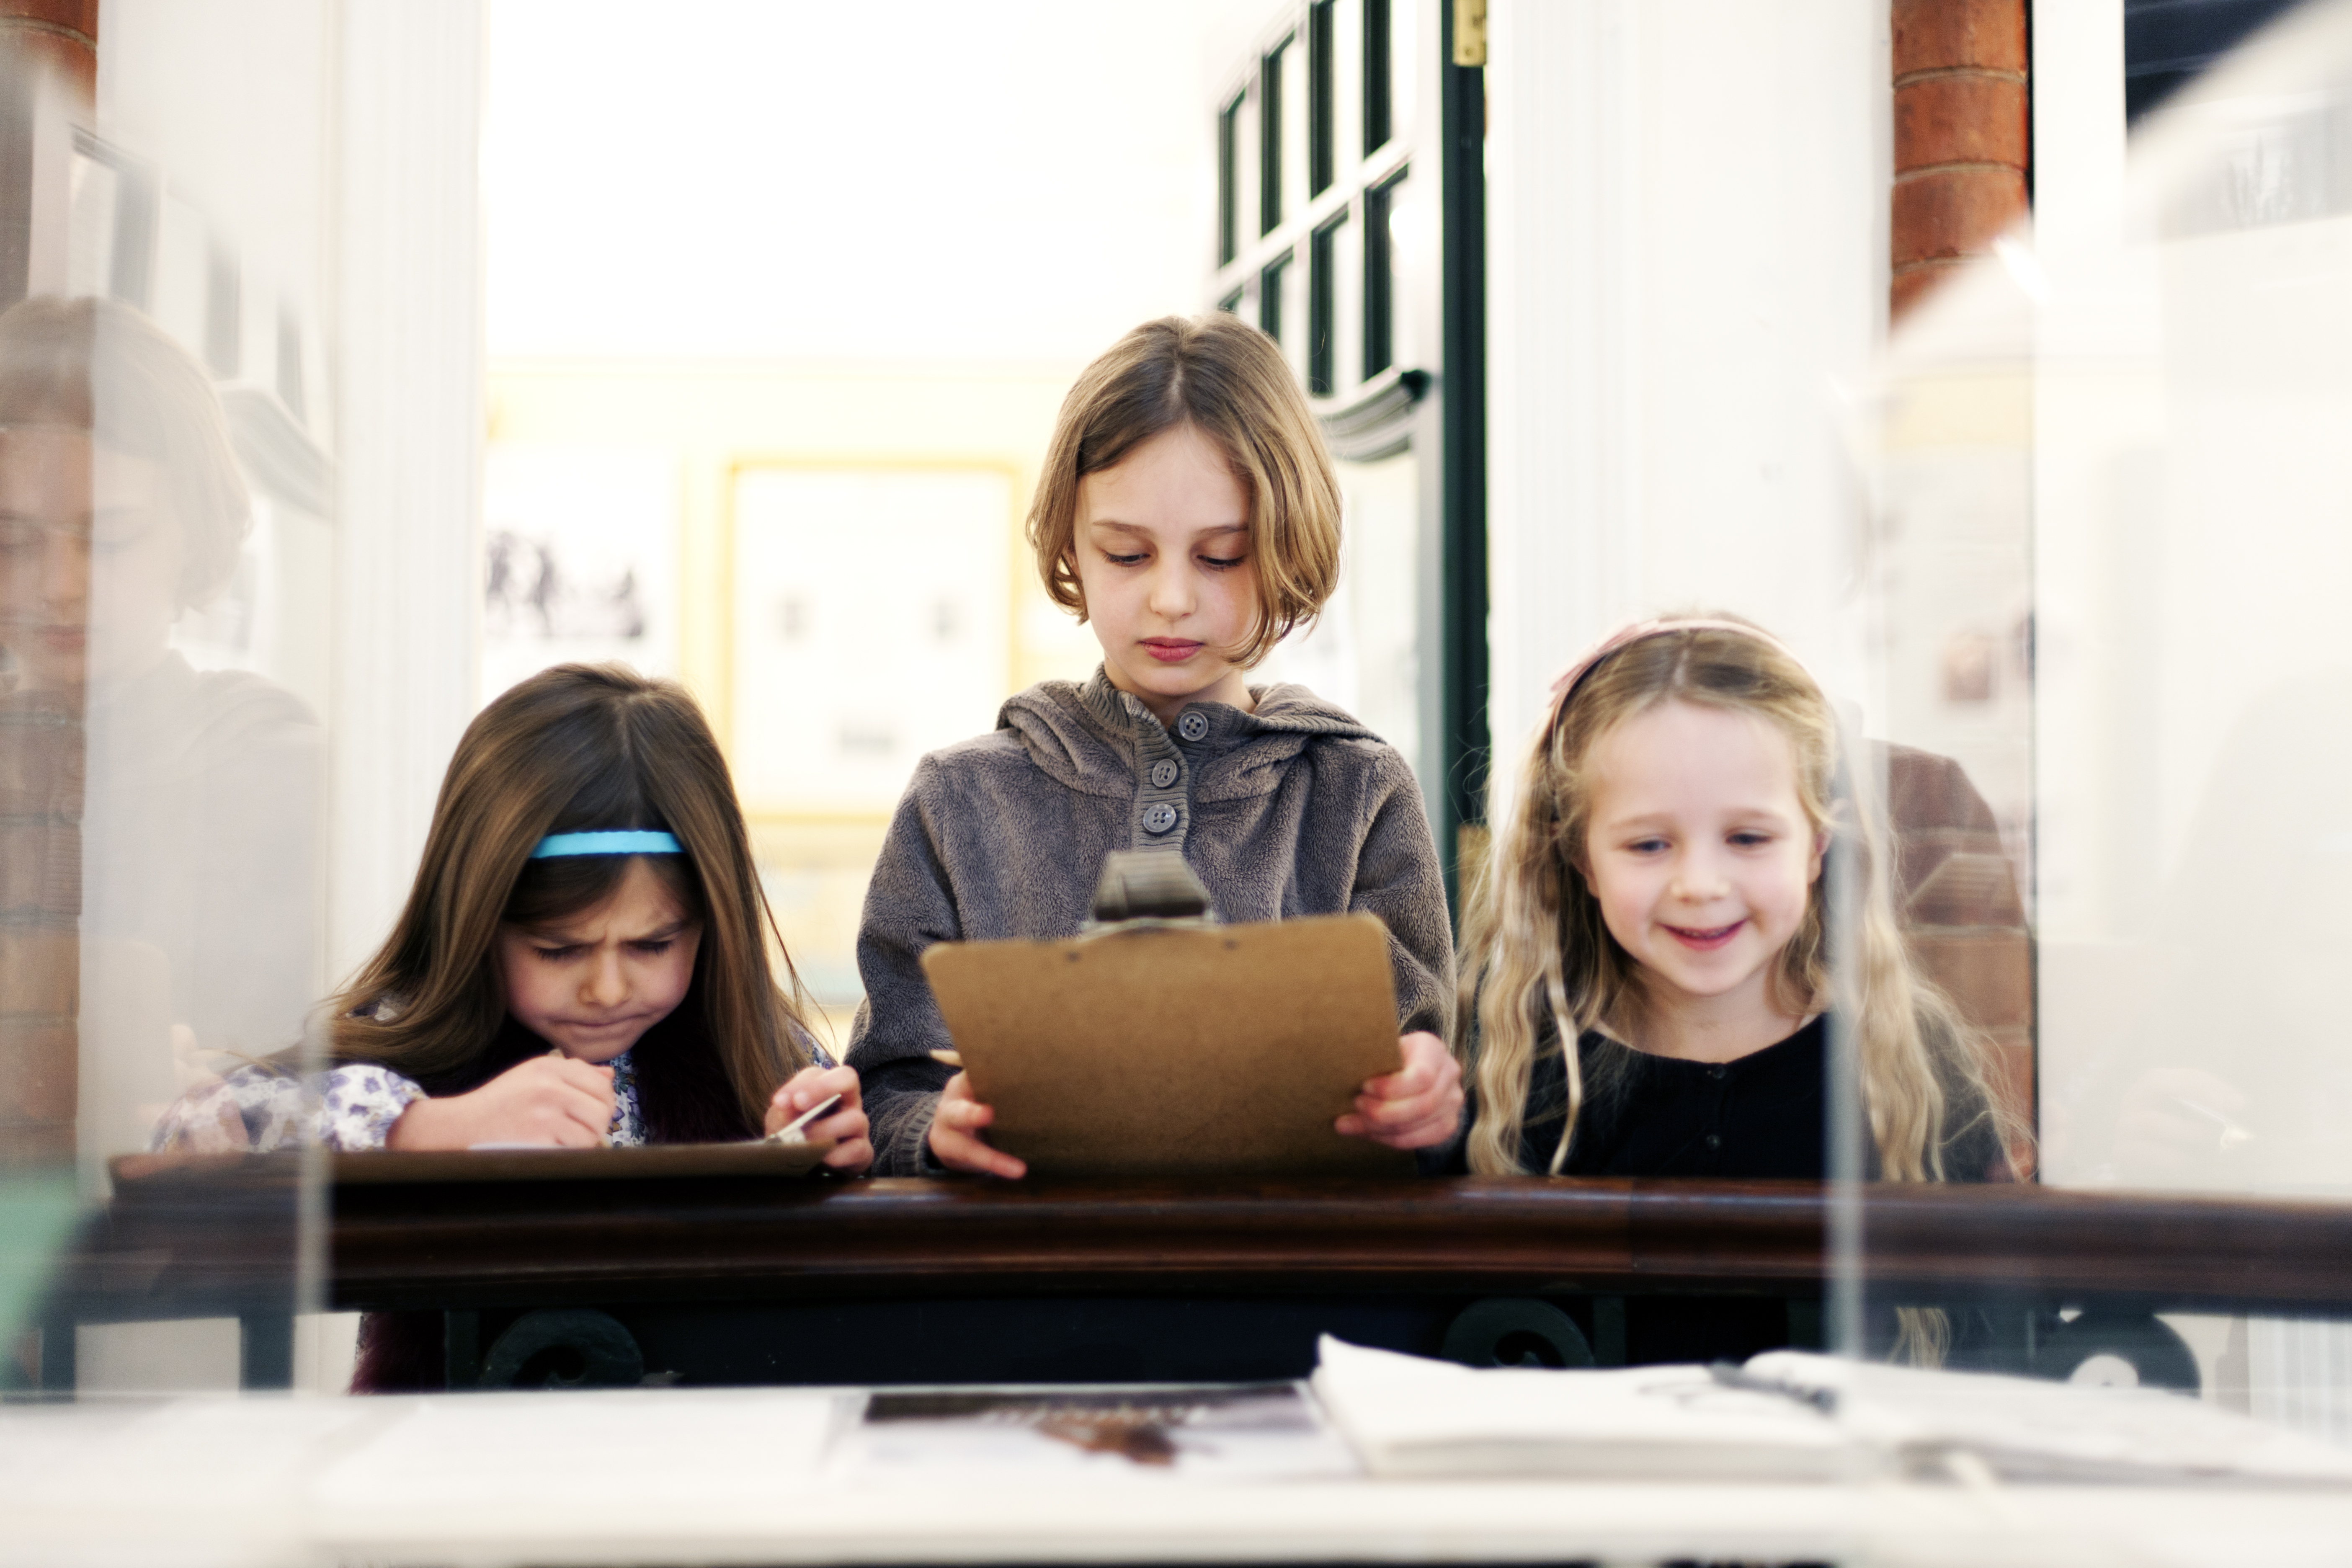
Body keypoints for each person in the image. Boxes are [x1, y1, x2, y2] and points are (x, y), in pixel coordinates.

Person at [848, 314, 1460, 1176]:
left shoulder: (1358, 790)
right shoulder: (959, 799)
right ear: (1070, 543)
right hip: (1026, 1291)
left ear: (1290, 548)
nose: (1171, 598)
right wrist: (929, 1129)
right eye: (1128, 555)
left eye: (1221, 558)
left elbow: (1427, 1088)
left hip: (1285, 1283)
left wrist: (1431, 1107)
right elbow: (880, 1093)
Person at [1456, 616, 2019, 1361]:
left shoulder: (1905, 1057)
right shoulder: (1515, 1057)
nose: (1701, 886)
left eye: (1749, 839)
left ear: (1817, 844)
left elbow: (1997, 1332)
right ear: (1581, 858)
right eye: (1649, 844)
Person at [152, 661, 870, 1168]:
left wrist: (812, 1157)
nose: (609, 990)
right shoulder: (403, 1045)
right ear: (475, 925)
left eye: (652, 945)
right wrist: (430, 1126)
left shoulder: (765, 1058)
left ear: (713, 925)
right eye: (558, 950)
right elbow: (193, 1128)